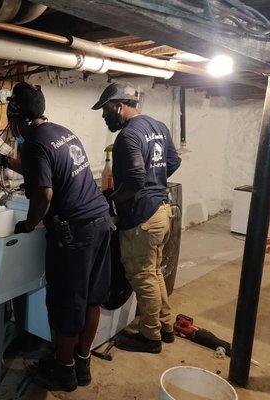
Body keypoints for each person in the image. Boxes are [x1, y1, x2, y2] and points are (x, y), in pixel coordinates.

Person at [0, 82, 111, 392]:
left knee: (68, 302)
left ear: (21, 119)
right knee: (91, 299)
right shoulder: (58, 131)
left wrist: (29, 224)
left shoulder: (33, 142)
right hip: (100, 221)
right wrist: (5, 161)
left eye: (12, 122)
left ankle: (64, 371)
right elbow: (45, 170)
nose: (11, 130)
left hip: (74, 232)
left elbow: (44, 192)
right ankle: (82, 363)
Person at [92, 82, 181, 354]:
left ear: (119, 106)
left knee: (142, 276)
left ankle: (150, 337)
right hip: (163, 210)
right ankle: (165, 327)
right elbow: (173, 161)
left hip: (143, 217)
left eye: (106, 110)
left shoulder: (128, 136)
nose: (104, 116)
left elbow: (134, 178)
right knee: (153, 273)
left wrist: (114, 199)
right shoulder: (158, 126)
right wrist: (156, 184)